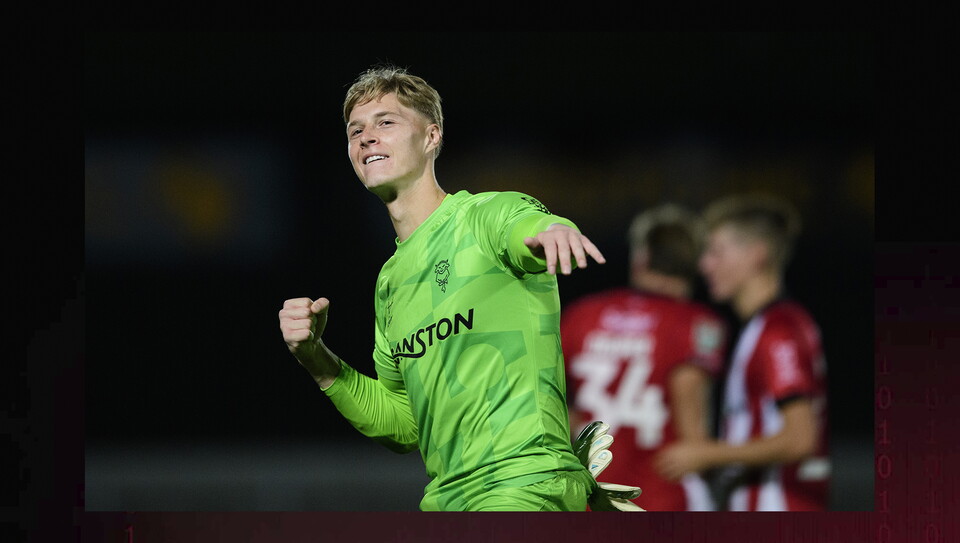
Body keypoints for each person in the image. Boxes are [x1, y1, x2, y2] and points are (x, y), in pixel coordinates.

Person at [277, 65, 640, 511]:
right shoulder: (390, 283)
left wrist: (553, 228)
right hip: (446, 501)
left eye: (386, 122)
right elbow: (403, 425)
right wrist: (317, 360)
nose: (366, 137)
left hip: (523, 482)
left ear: (431, 138)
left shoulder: (483, 216)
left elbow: (524, 225)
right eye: (356, 130)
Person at [654, 193, 829, 511]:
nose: (705, 264)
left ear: (756, 255)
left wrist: (706, 453)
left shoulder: (779, 331)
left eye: (716, 252)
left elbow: (801, 438)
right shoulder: (762, 326)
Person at [561, 203, 727, 511]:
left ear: (642, 257)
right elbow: (693, 435)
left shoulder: (582, 315)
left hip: (589, 495)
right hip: (661, 494)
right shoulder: (696, 325)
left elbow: (556, 408)